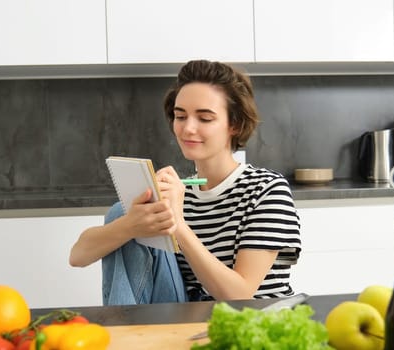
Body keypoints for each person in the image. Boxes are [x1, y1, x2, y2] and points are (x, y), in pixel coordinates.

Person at [69, 59, 301, 304]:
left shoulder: (267, 190)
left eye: (205, 118)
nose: (188, 128)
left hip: (247, 320)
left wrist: (177, 224)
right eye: (181, 116)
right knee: (122, 213)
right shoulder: (178, 192)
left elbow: (240, 295)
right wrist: (132, 223)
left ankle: (128, 334)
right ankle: (129, 332)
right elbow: (78, 256)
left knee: (145, 215)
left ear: (235, 124)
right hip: (186, 318)